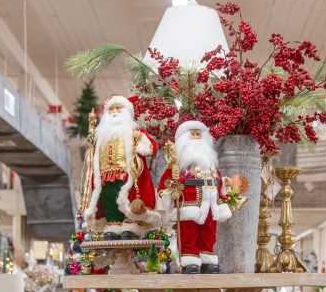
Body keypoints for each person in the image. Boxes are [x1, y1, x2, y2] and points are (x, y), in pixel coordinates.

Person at [157, 120, 232, 273]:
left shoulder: (212, 166)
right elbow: (164, 185)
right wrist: (169, 193)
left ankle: (207, 259)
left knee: (209, 232)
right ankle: (189, 259)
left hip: (211, 204)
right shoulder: (178, 166)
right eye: (193, 134)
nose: (196, 137)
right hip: (189, 204)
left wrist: (225, 184)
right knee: (189, 233)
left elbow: (218, 181)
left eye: (199, 134)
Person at [83, 95, 161, 239]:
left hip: (128, 174)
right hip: (106, 175)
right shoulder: (101, 136)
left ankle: (131, 226)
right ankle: (113, 226)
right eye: (111, 109)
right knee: (109, 198)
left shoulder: (134, 131)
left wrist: (141, 146)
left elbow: (151, 147)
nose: (114, 111)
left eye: (118, 108)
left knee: (128, 199)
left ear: (126, 111)